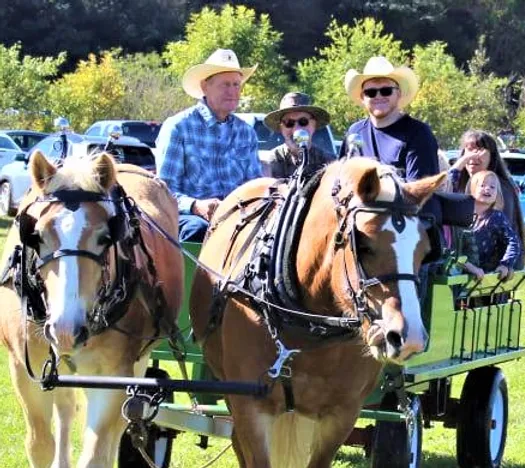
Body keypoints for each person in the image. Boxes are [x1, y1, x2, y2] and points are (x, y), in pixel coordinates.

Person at [155, 49, 262, 242]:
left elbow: (254, 185)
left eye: (236, 84)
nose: (232, 91)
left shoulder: (246, 132)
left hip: (239, 217)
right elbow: (163, 191)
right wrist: (196, 205)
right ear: (205, 86)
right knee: (198, 229)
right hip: (193, 217)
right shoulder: (179, 127)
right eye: (225, 85)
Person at [340, 56, 441, 219]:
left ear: (399, 93)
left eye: (386, 90)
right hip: (361, 223)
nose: (378, 96)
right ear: (362, 97)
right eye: (371, 92)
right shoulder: (354, 132)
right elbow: (343, 184)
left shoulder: (418, 133)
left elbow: (415, 196)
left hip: (412, 223)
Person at [448, 129, 524, 267]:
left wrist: (505, 266)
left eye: (479, 150)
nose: (472, 156)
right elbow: (442, 185)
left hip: (490, 274)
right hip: (462, 267)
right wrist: (462, 161)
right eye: (469, 150)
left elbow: (507, 239)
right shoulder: (459, 185)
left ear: (492, 156)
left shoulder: (499, 189)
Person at [458, 170, 521, 280]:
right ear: (472, 189)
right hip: (459, 270)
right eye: (482, 185)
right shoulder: (461, 214)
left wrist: (505, 264)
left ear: (497, 194)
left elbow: (513, 241)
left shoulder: (496, 217)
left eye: (492, 187)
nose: (487, 189)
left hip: (484, 276)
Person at [262, 92, 335, 178]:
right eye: (289, 123)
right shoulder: (270, 163)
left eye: (303, 122)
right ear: (281, 128)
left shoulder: (330, 163)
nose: (297, 129)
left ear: (313, 125)